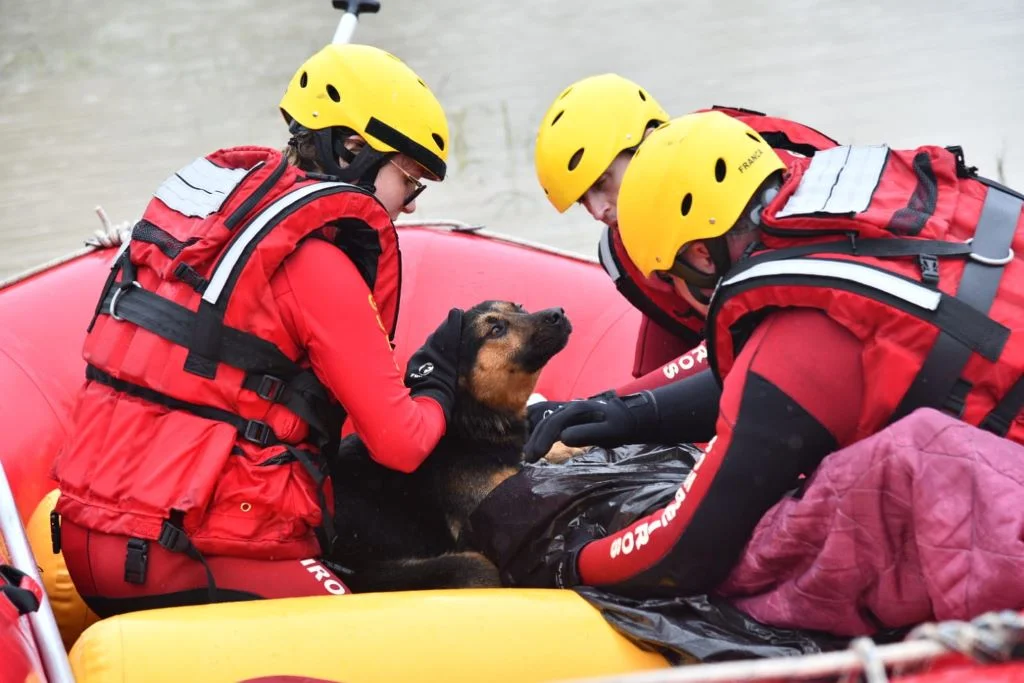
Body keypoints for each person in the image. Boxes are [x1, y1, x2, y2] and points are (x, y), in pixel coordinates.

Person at [524, 110, 1024, 597]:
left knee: (800, 527)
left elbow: (683, 554)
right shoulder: (842, 205)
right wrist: (628, 414)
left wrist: (565, 564)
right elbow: (774, 390)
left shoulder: (798, 342)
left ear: (700, 256)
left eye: (671, 278)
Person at [50, 43, 464, 616]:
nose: (412, 205)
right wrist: (442, 384)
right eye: (411, 179)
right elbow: (402, 445)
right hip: (184, 556)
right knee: (393, 635)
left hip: (85, 543)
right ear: (353, 149)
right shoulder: (316, 264)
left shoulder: (202, 229)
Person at [533, 74, 838, 398]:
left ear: (648, 138)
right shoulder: (623, 248)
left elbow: (778, 340)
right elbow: (664, 363)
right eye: (583, 200)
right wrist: (617, 407)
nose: (597, 211)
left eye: (601, 183)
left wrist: (624, 406)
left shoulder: (756, 175)